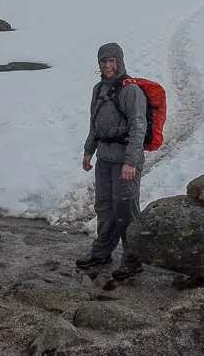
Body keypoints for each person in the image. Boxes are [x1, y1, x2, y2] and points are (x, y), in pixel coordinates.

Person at [76, 42, 148, 280]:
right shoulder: (98, 89)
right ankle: (101, 252)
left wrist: (131, 161)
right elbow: (94, 123)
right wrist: (88, 151)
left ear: (119, 61)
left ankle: (132, 259)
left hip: (125, 161)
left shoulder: (131, 90)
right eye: (103, 61)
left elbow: (139, 127)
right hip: (104, 159)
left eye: (111, 60)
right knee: (104, 207)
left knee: (126, 209)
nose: (107, 65)